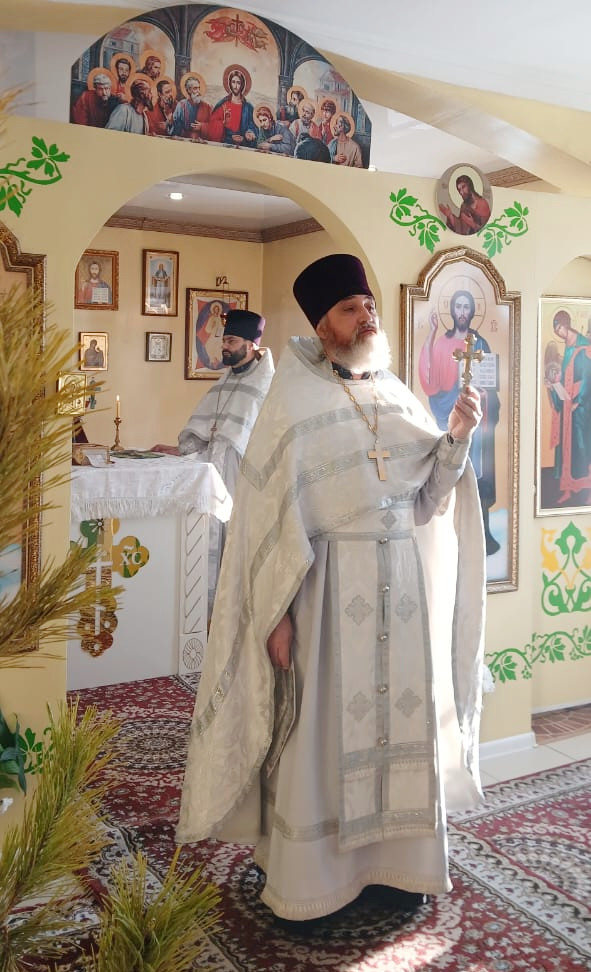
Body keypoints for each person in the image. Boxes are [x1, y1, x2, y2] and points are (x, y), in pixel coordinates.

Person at [177, 253, 487, 922]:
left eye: (368, 306)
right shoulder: (292, 401)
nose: (367, 316)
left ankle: (400, 868)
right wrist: (275, 616)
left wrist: (458, 435)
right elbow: (267, 524)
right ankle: (316, 881)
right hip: (324, 595)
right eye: (351, 309)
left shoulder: (395, 394)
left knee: (400, 722)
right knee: (320, 737)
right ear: (323, 326)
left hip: (400, 591)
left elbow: (428, 498)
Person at [178, 309, 274, 614]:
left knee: (236, 542)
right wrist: (186, 449)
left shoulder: (266, 386)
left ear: (251, 344)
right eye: (224, 340)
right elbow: (206, 430)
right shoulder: (226, 381)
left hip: (242, 480)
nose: (224, 347)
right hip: (217, 472)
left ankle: (233, 612)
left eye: (231, 341)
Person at [419, 289, 500, 556]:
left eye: (467, 307)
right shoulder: (443, 343)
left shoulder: (480, 343)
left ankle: (483, 535)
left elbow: (491, 384)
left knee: (479, 477)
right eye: (458, 307)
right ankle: (449, 543)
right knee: (446, 479)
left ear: (472, 311)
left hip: (479, 427)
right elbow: (432, 382)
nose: (462, 312)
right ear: (452, 311)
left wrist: (481, 398)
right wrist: (432, 333)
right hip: (449, 421)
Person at [546, 309, 591, 502]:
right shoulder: (568, 348)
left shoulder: (585, 347)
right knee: (567, 450)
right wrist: (553, 386)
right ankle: (568, 490)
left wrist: (579, 401)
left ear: (566, 325)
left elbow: (588, 378)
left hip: (582, 409)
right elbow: (564, 380)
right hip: (568, 407)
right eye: (556, 331)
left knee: (583, 447)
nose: (559, 334)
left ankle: (588, 490)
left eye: (559, 329)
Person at [210, 67, 257, 146]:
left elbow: (253, 125)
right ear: (230, 83)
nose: (235, 86)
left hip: (243, 143)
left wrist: (249, 133)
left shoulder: (248, 107)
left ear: (242, 85)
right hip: (225, 141)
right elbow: (213, 122)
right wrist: (222, 124)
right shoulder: (223, 104)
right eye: (233, 82)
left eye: (238, 83)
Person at [171, 75, 222, 141]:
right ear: (189, 90)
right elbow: (175, 128)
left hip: (202, 141)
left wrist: (202, 126)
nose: (198, 91)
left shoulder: (207, 106)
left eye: (198, 88)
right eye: (195, 88)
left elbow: (215, 125)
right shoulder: (181, 106)